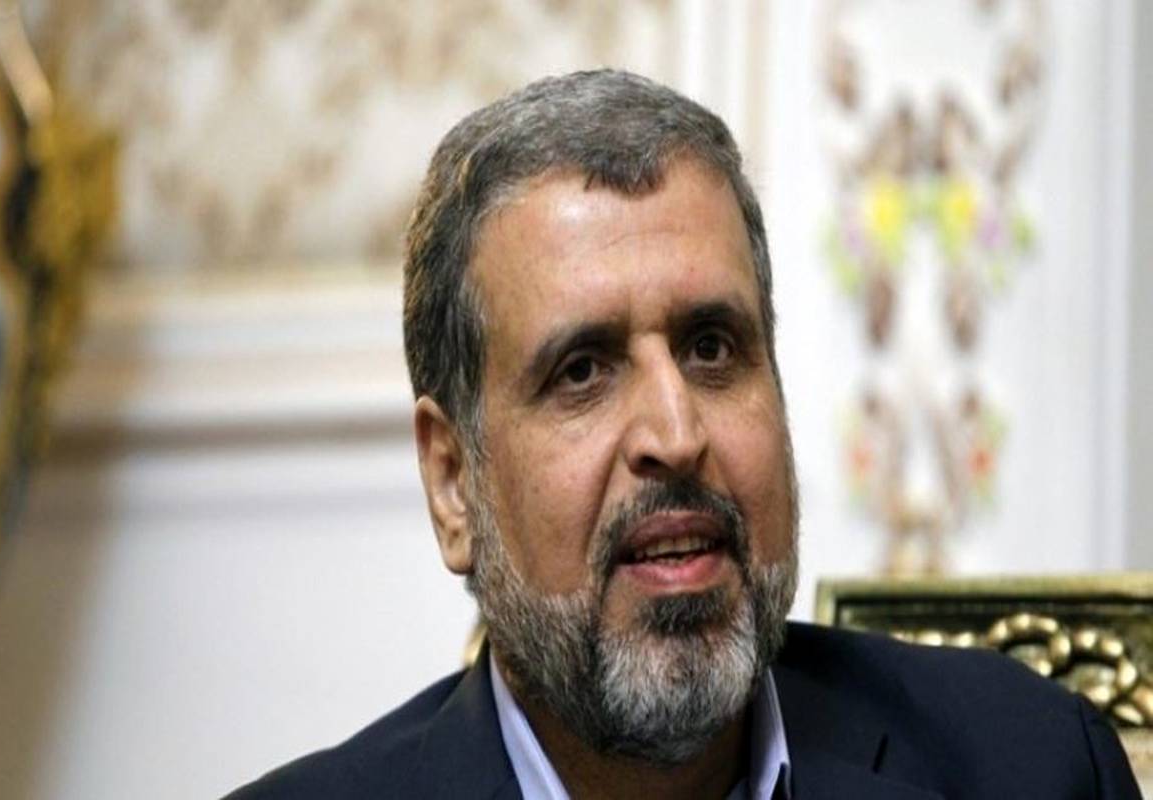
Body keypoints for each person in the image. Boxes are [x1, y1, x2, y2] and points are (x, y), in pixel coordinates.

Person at [228, 69, 1140, 800]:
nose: (676, 432)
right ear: (453, 483)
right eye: (582, 371)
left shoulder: (1031, 767)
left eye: (712, 348)